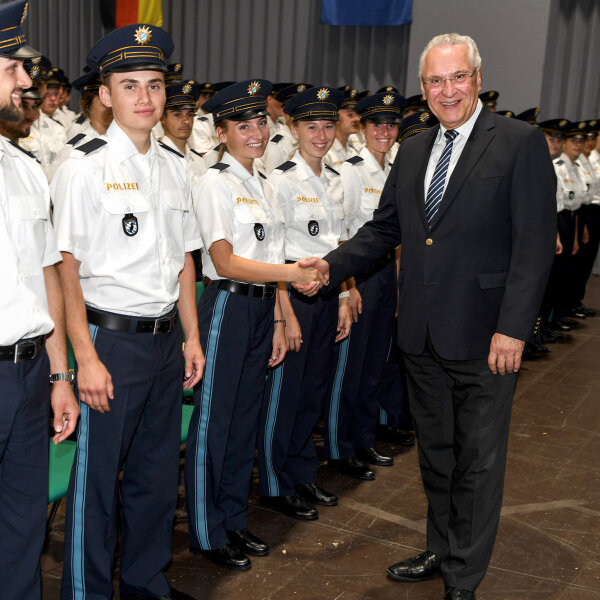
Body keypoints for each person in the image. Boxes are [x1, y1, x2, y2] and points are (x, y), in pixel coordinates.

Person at [297, 34, 556, 599]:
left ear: (477, 78)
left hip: (488, 336)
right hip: (420, 334)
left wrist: (514, 327)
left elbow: (535, 246)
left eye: (457, 77)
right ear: (424, 88)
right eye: (436, 81)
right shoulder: (414, 149)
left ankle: (464, 575)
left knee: (478, 463)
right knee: (437, 456)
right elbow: (386, 229)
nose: (447, 90)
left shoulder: (519, 142)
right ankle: (442, 546)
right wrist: (329, 266)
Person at [52, 23, 204, 600]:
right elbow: (66, 269)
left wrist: (191, 337)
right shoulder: (83, 167)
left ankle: (146, 584)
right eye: (130, 84)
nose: (146, 96)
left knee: (155, 477)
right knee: (95, 486)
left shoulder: (172, 166)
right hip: (109, 341)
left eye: (155, 84)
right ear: (105, 95)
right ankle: (87, 592)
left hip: (166, 342)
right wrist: (83, 358)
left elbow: (185, 260)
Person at [184, 79, 325, 572]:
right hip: (226, 305)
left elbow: (270, 255)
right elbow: (223, 261)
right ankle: (205, 530)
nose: (255, 132)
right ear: (221, 133)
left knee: (244, 418)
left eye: (260, 121)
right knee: (213, 423)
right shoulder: (213, 182)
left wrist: (283, 316)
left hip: (263, 307)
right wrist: (290, 275)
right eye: (241, 125)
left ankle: (232, 518)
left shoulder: (263, 183)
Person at [0, 2, 79, 598]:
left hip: (28, 375)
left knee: (23, 523)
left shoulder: (23, 168)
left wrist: (59, 373)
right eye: (10, 68)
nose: (26, 81)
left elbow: (45, 278)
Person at [258, 85, 353, 521]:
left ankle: (301, 472)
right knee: (285, 394)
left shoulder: (335, 179)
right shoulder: (279, 180)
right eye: (311, 126)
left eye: (328, 125)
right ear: (294, 129)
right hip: (293, 292)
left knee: (314, 388)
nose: (321, 135)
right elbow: (273, 254)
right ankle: (275, 482)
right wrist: (286, 313)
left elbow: (344, 243)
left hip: (328, 291)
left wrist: (347, 293)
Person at [325, 91, 406, 477]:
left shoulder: (395, 171)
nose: (385, 131)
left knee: (374, 363)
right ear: (364, 127)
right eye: (377, 124)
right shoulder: (351, 170)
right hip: (361, 279)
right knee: (349, 367)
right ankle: (340, 448)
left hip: (386, 274)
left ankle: (363, 437)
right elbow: (340, 233)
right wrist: (349, 285)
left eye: (391, 125)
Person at [159, 79, 207, 184]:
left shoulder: (199, 161)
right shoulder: (156, 158)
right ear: (163, 118)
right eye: (177, 115)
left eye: (189, 115)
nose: (186, 121)